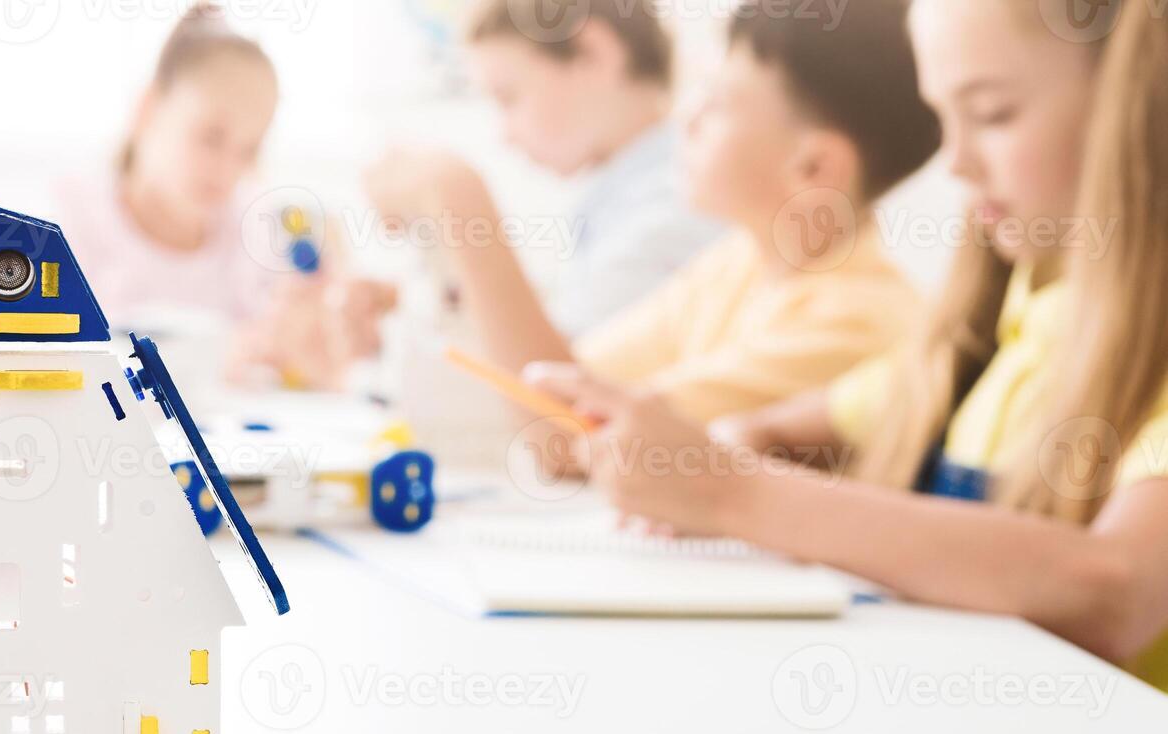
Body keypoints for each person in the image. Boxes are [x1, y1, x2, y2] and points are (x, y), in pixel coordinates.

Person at [533, 0, 1168, 682]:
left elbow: (1116, 591)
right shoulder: (998, 327)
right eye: (943, 117)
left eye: (991, 114)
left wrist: (730, 493)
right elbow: (773, 427)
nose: (954, 162)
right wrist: (734, 455)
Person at [371, 0, 942, 423]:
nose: (687, 118)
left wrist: (461, 202)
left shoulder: (854, 320)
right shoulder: (735, 265)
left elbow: (560, 429)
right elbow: (565, 384)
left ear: (813, 170)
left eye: (716, 102)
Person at [57, 3, 393, 387]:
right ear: (148, 107)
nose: (228, 169)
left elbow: (313, 375)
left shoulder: (259, 234)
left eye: (249, 149)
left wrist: (318, 342)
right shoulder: (68, 221)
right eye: (211, 137)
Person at [366, 0, 722, 343]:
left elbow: (556, 386)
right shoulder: (619, 202)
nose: (504, 135)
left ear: (593, 52)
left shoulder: (679, 204)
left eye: (509, 98)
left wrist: (456, 196)